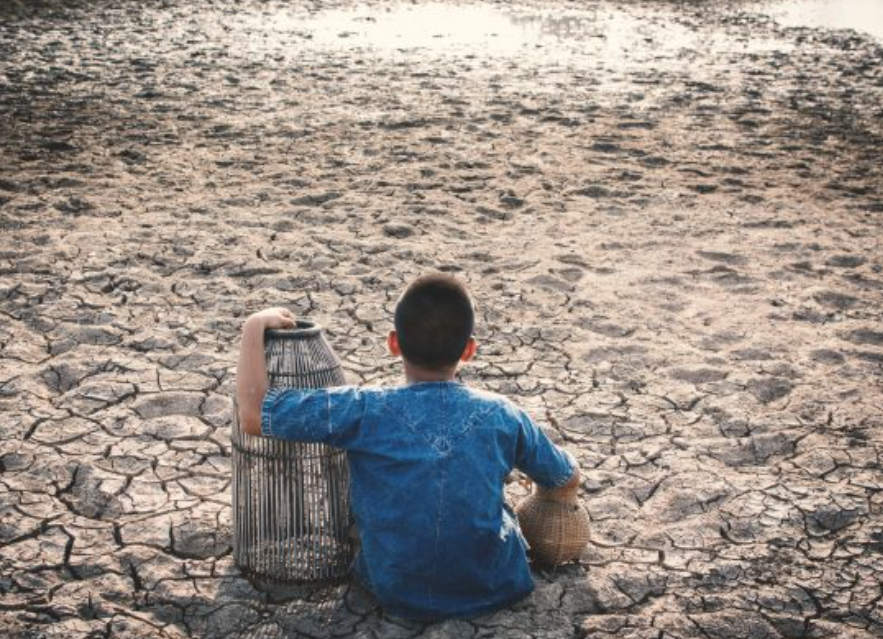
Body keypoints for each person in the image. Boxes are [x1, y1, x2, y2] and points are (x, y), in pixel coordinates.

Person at [236, 273, 580, 621]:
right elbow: (565, 476)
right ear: (469, 351)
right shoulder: (503, 413)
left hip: (396, 589)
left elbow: (254, 414)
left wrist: (253, 326)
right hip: (498, 585)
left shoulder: (363, 408)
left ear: (393, 344)